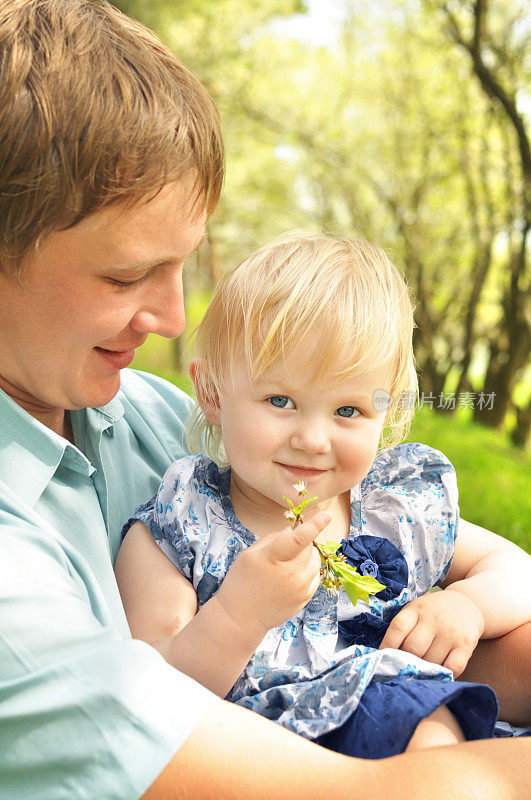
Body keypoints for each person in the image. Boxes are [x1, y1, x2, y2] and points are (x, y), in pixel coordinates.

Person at [0, 1, 529, 799]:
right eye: (123, 276)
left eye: (183, 266)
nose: (175, 322)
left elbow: (463, 616)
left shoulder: (136, 408)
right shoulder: (149, 523)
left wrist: (461, 616)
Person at [116, 232, 531, 758]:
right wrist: (237, 615)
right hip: (293, 747)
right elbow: (151, 691)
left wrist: (468, 605)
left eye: (348, 411)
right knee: (420, 727)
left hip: (421, 694)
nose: (313, 439)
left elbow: (515, 568)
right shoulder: (188, 522)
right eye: (281, 399)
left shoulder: (389, 507)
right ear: (213, 394)